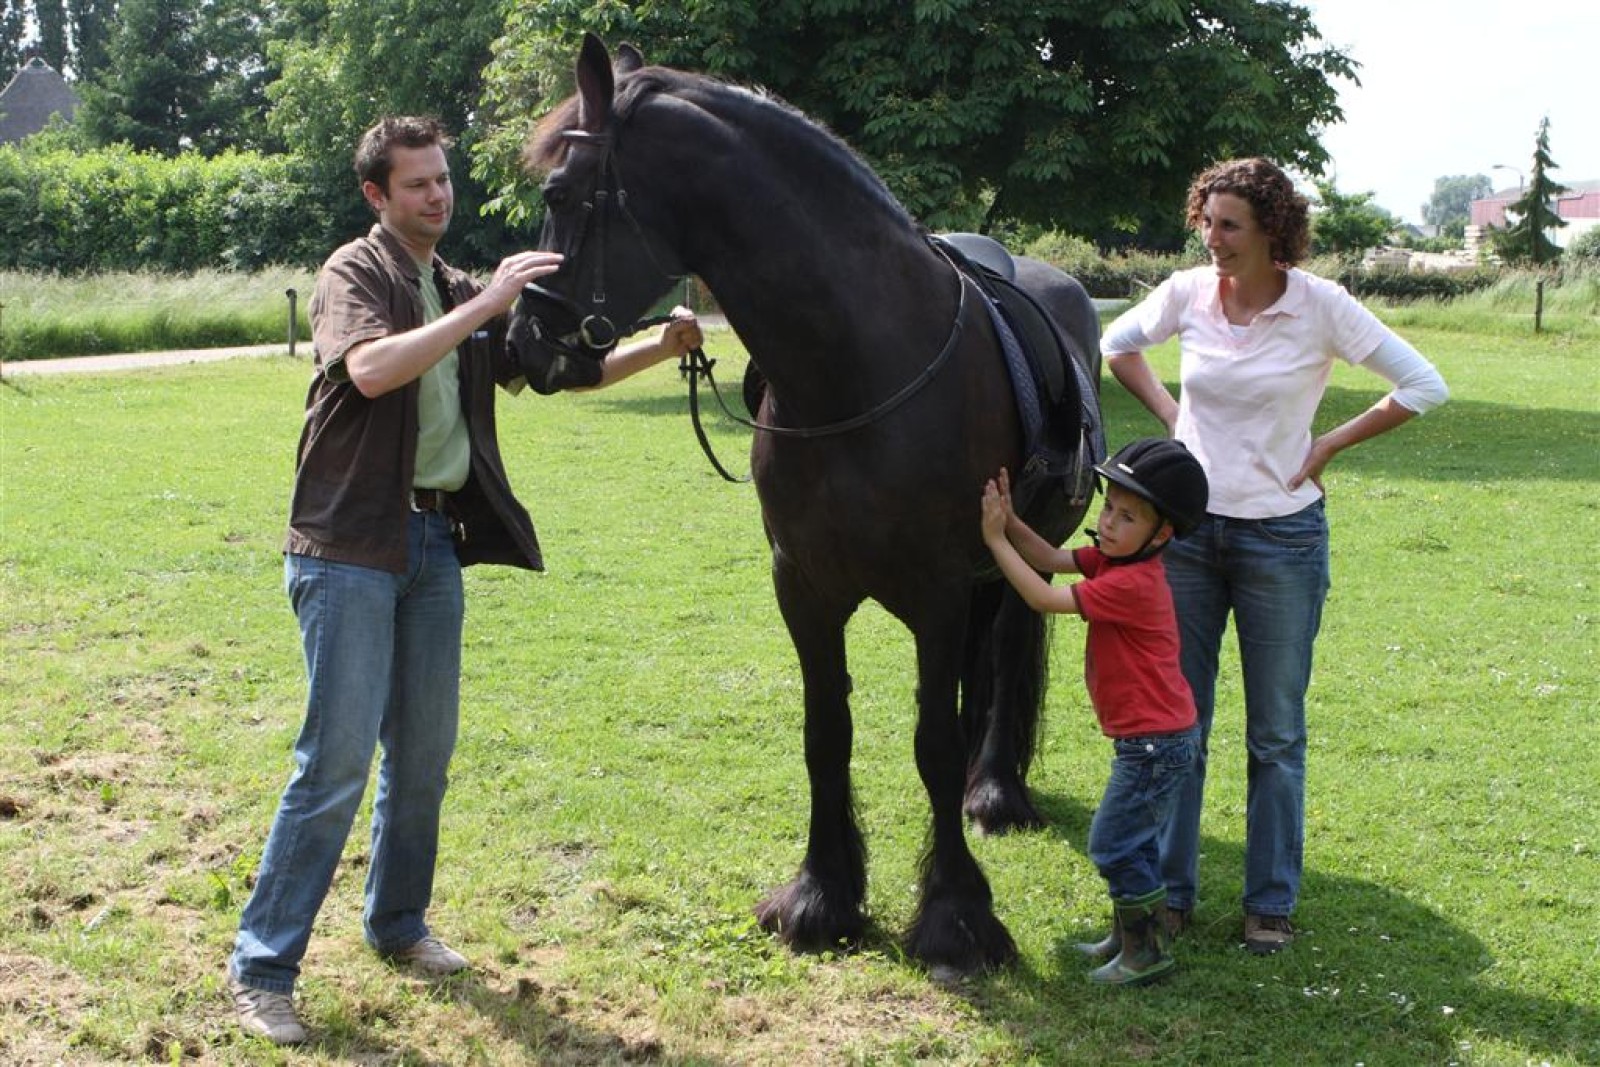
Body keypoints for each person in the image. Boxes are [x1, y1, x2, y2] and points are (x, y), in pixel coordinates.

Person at [225, 115, 702, 1045]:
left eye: (442, 179)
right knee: (335, 764)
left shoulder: (453, 286)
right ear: (377, 195)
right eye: (417, 184)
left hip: (433, 544)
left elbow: (555, 371)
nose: (437, 195)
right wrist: (485, 306)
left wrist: (662, 343)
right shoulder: (354, 273)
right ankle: (263, 967)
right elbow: (370, 370)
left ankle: (398, 924)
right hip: (347, 547)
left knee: (423, 756)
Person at [1100, 157, 1449, 955]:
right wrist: (1175, 418)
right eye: (1207, 221)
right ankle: (1172, 893)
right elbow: (1117, 344)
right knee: (1179, 724)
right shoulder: (1188, 292)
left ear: (1271, 231)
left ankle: (1270, 903)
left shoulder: (1320, 305)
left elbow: (1423, 385)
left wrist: (1328, 443)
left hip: (1281, 539)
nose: (1213, 238)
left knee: (1277, 734)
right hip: (1187, 538)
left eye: (1230, 225)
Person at [981, 438, 1209, 985]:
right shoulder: (1114, 559)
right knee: (1134, 842)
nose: (1108, 522)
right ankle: (1133, 935)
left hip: (1155, 744)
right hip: (1155, 738)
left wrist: (994, 540)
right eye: (1109, 507)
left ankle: (1145, 952)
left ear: (1161, 535)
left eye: (1127, 518)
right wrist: (1012, 521)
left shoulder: (1132, 582)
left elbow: (1042, 596)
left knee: (1112, 843)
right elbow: (1050, 559)